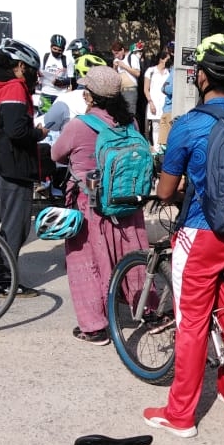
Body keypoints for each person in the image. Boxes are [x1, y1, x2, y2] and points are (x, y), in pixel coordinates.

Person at [142, 34, 224, 438]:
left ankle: (180, 415)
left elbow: (164, 192)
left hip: (201, 233)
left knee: (192, 324)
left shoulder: (189, 124)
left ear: (202, 76)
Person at [51, 66, 150, 345]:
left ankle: (95, 327)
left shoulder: (78, 126)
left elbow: (56, 154)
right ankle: (147, 308)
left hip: (90, 202)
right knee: (131, 253)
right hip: (126, 202)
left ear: (89, 96)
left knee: (87, 260)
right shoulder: (130, 123)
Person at [0, 38, 48, 297]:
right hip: (12, 168)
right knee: (15, 227)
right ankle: (4, 281)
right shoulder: (13, 87)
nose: (34, 76)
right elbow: (16, 130)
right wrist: (37, 134)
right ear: (19, 66)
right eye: (31, 70)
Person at [143, 48, 173, 150]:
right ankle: (156, 149)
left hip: (166, 105)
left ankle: (163, 148)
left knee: (165, 127)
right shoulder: (150, 71)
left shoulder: (169, 72)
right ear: (162, 59)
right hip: (154, 103)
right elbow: (146, 89)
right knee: (155, 127)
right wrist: (150, 102)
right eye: (168, 58)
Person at [38, 34, 70, 113]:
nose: (56, 52)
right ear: (51, 47)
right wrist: (39, 75)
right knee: (43, 116)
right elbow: (39, 71)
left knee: (59, 118)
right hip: (46, 94)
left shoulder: (67, 60)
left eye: (59, 50)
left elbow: (72, 79)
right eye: (54, 49)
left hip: (61, 95)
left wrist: (61, 82)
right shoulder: (45, 57)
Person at [111, 40, 141, 119]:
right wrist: (114, 68)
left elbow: (137, 73)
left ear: (122, 50)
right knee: (121, 115)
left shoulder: (132, 57)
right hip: (120, 91)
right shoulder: (116, 60)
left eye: (117, 53)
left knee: (130, 115)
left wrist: (124, 66)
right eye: (114, 54)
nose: (116, 56)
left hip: (130, 91)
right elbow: (113, 77)